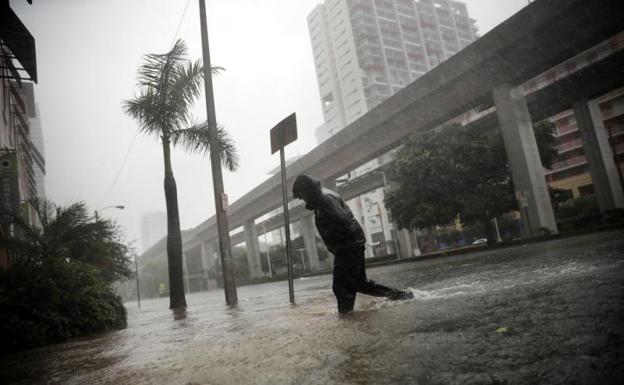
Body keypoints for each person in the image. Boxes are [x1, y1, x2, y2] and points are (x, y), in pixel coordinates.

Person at [292, 174, 413, 314]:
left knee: (340, 287)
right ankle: (402, 295)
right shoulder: (322, 199)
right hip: (351, 244)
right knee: (360, 284)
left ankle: (346, 318)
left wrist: (340, 247)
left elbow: (342, 220)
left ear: (307, 189)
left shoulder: (325, 200)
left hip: (348, 246)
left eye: (301, 195)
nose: (302, 199)